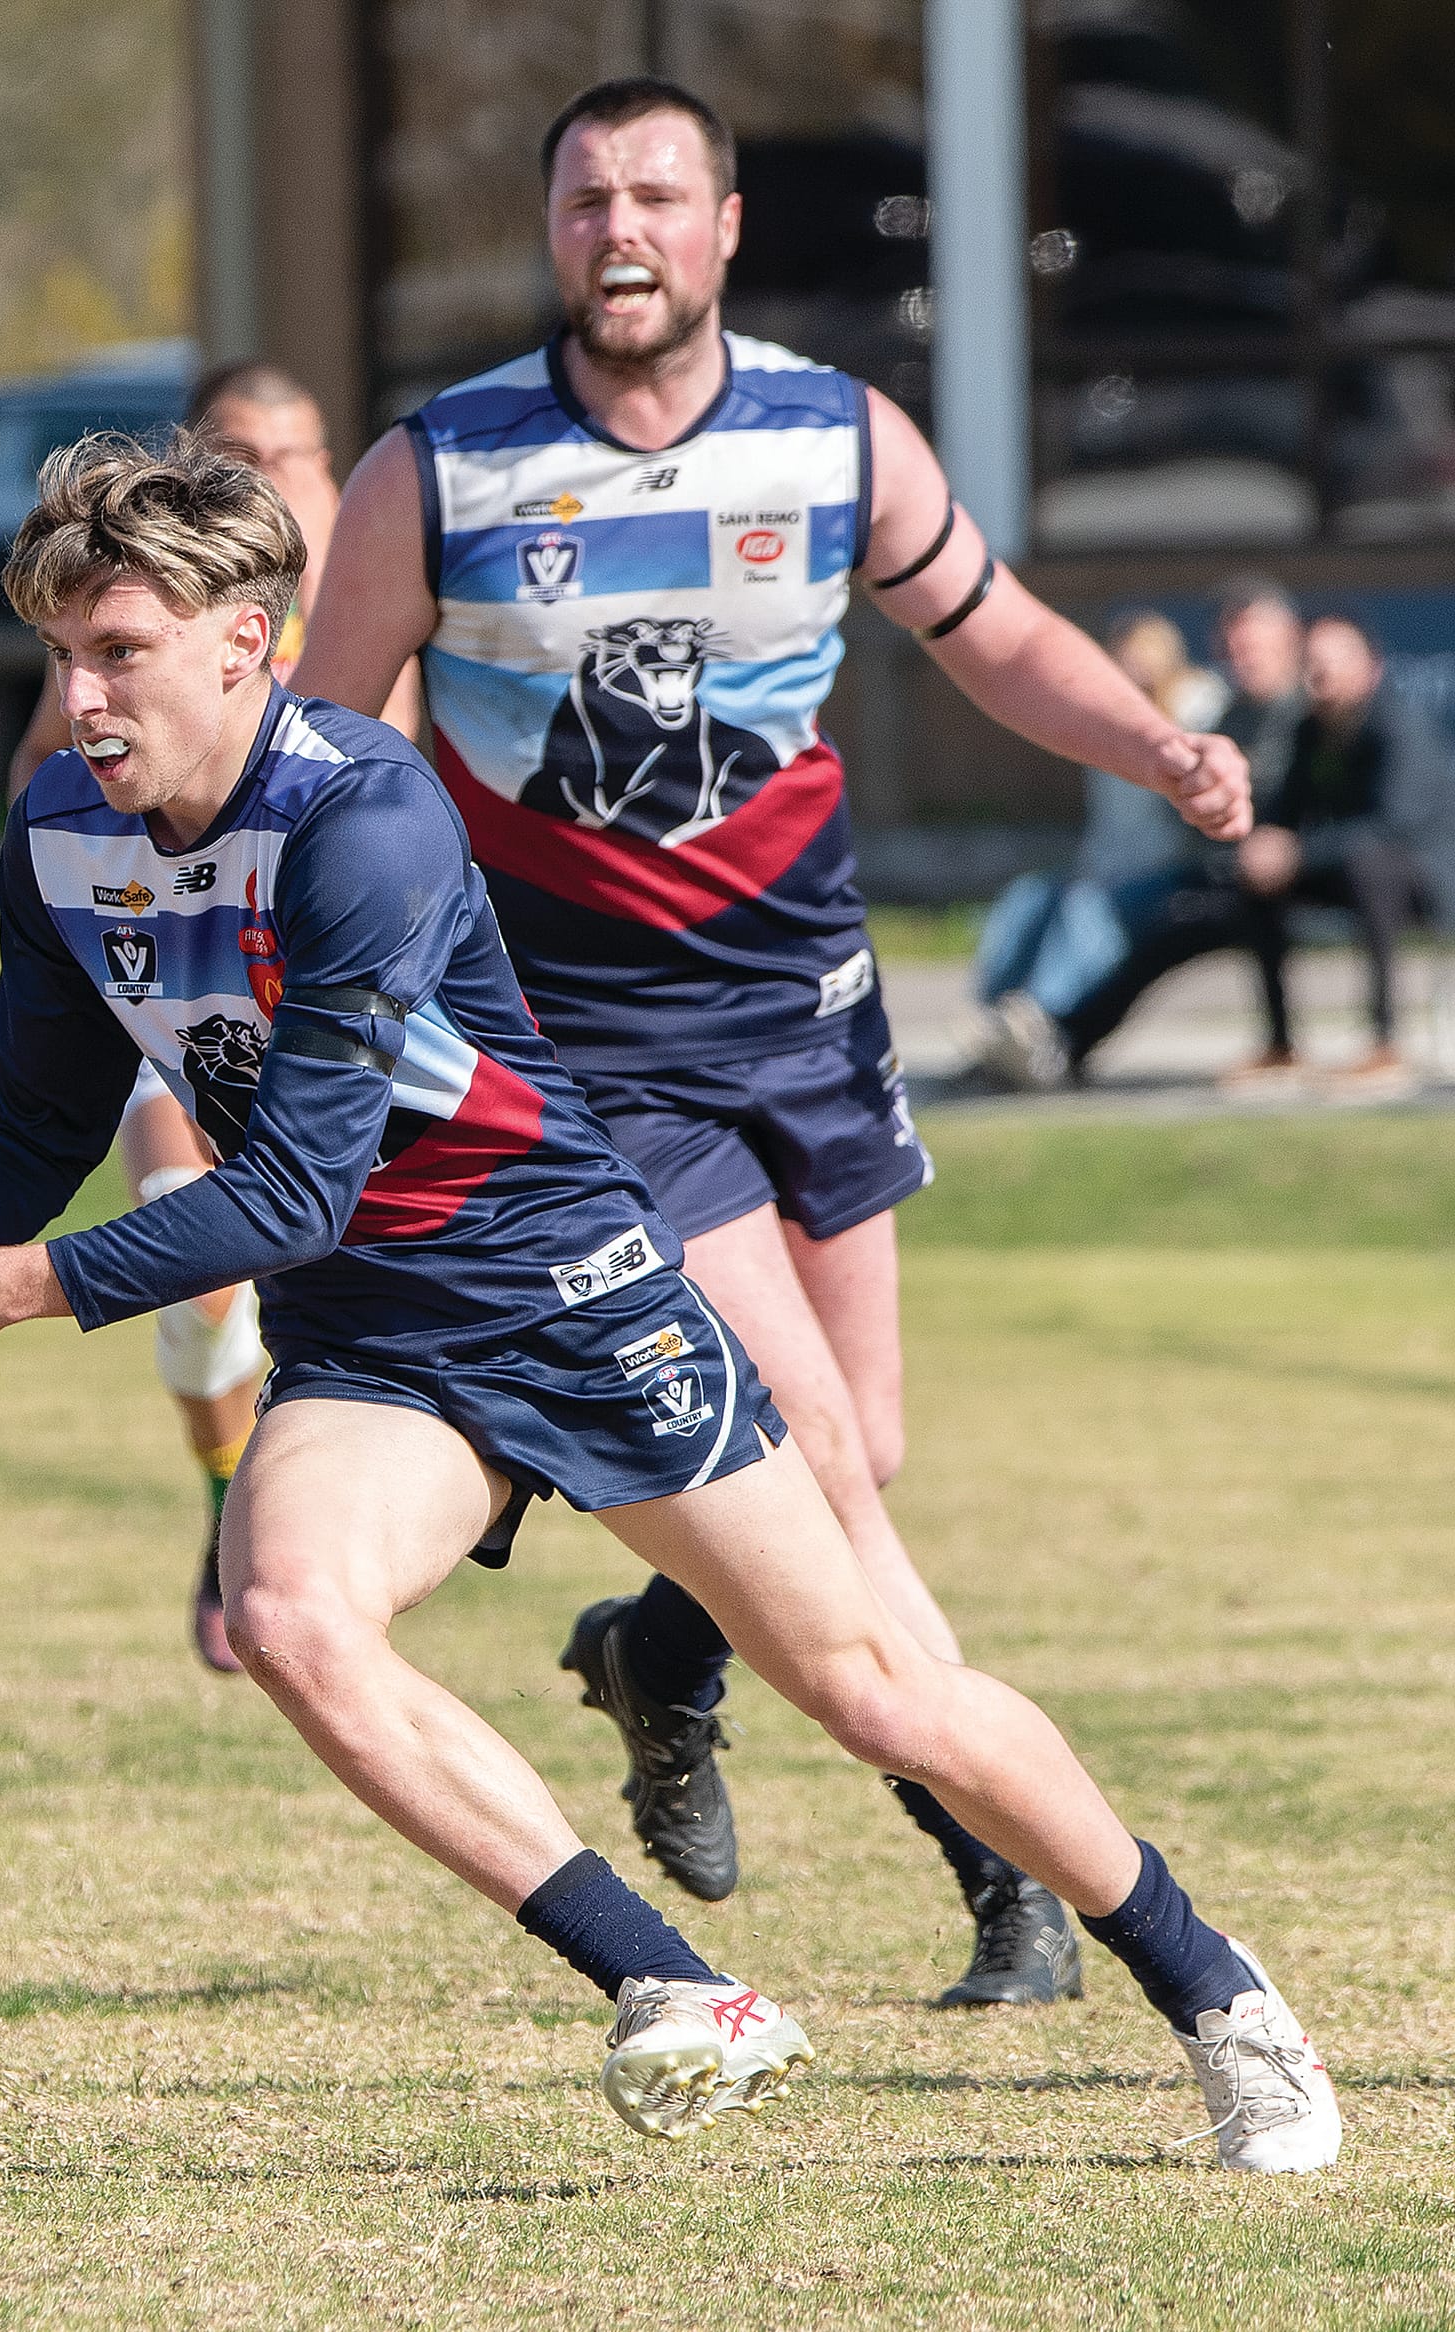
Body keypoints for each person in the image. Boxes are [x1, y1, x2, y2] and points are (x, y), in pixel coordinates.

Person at [0, 430, 1337, 2166]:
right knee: (291, 1613)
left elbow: (292, 1189)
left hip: (563, 1286)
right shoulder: (60, 829)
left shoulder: (363, 819)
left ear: (241, 642)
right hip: (371, 1339)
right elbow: (39, 1120)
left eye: (114, 652)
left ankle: (1223, 1997)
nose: (78, 697)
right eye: (60, 655)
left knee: (877, 1687)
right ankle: (675, 1989)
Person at [291, 77, 1256, 2004]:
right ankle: (1012, 1878)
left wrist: (1150, 746)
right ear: (549, 232)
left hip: (810, 1010)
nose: (619, 230)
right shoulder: (446, 467)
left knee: (863, 1444)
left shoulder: (832, 434)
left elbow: (992, 633)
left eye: (656, 195)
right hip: (588, 1049)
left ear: (726, 225)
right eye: (583, 201)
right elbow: (325, 738)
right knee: (811, 1443)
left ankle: (660, 1655)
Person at [6, 361, 417, 1670]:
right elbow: (52, 775)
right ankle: (228, 1490)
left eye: (302, 452)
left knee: (288, 1237)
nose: (286, 473)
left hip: (315, 995)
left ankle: (291, 1497)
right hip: (173, 981)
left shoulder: (358, 612)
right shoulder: (120, 632)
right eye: (249, 449)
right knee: (186, 1246)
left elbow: (385, 793)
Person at [957, 607, 1240, 1091]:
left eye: (1144, 658)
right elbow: (1108, 830)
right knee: (1030, 897)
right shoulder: (1109, 736)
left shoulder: (1194, 711)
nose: (1134, 671)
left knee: (1087, 909)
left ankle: (1038, 1020)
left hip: (1173, 871)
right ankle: (995, 1020)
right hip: (1110, 866)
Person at [1236, 614, 1451, 1098]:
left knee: (1370, 865)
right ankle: (1280, 1045)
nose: (1322, 674)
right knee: (1257, 878)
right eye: (1313, 663)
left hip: (1424, 877)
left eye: (1334, 662)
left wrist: (1298, 852)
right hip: (1343, 866)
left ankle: (1385, 1041)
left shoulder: (1399, 727)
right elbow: (1286, 810)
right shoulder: (1309, 731)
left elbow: (1393, 824)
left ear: (1371, 668)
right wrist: (1265, 843)